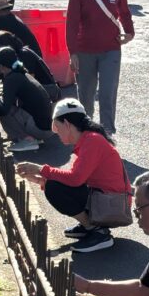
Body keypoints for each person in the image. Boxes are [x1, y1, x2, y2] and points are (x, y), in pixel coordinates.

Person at [15, 99, 130, 253]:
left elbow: (75, 179)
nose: (56, 133)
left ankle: (97, 231)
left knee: (54, 187)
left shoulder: (92, 141)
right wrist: (39, 178)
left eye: (57, 127)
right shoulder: (88, 139)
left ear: (67, 124)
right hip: (107, 200)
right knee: (54, 183)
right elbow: (72, 178)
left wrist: (41, 169)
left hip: (113, 206)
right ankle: (90, 225)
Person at [66, 0, 134, 136]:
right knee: (86, 96)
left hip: (110, 49)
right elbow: (71, 24)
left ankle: (107, 132)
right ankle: (86, 132)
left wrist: (129, 32)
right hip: (85, 50)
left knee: (107, 93)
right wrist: (72, 52)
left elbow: (124, 13)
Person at [0, 47, 54, 152]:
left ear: (1, 66)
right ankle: (30, 137)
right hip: (47, 127)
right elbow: (9, 101)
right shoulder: (21, 73)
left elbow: (5, 109)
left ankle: (26, 139)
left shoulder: (11, 79)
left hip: (39, 128)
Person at [0, 31, 60, 101]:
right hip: (38, 89)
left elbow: (28, 82)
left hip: (50, 90)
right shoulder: (13, 58)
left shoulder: (24, 55)